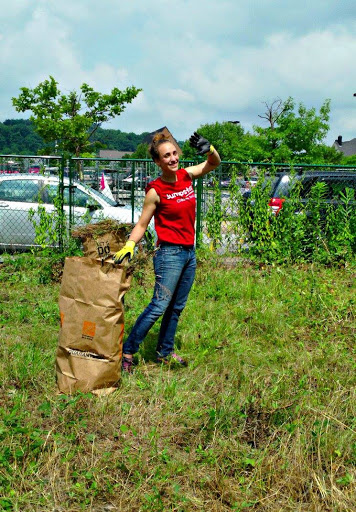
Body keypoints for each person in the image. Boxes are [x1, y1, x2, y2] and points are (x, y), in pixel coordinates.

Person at [114, 131, 221, 373]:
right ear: (158, 162)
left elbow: (214, 163)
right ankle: (127, 352)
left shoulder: (186, 175)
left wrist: (210, 148)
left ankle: (164, 352)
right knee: (159, 305)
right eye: (166, 156)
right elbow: (142, 223)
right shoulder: (155, 190)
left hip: (188, 253)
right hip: (168, 254)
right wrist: (130, 244)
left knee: (176, 307)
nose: (172, 159)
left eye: (174, 153)